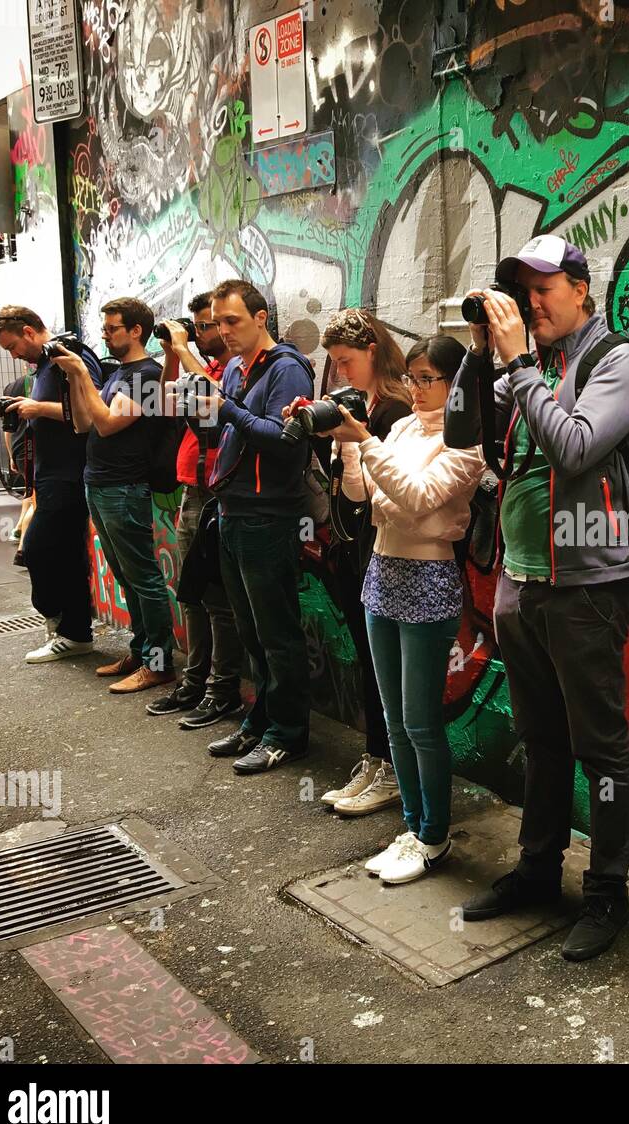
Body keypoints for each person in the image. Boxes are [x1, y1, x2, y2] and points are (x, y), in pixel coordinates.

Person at [444, 236, 629, 960]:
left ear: (581, 289)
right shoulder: (526, 364)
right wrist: (479, 350)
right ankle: (538, 871)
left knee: (601, 747)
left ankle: (606, 892)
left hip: (588, 584)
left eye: (544, 289)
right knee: (540, 742)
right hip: (520, 577)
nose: (531, 304)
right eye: (520, 292)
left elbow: (575, 444)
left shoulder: (616, 362)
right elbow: (458, 430)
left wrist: (521, 365)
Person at [321, 335, 483, 880]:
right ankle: (412, 827)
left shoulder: (467, 441)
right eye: (411, 377)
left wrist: (367, 442)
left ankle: (434, 837)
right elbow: (365, 495)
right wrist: (350, 442)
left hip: (429, 578)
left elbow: (414, 498)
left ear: (455, 383)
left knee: (421, 722)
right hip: (382, 573)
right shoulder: (403, 429)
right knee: (392, 720)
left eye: (427, 379)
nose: (415, 389)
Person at [202, 279, 313, 775]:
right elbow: (224, 431)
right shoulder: (232, 367)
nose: (223, 331)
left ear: (261, 318)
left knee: (276, 632)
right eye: (217, 323)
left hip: (269, 515)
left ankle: (287, 733)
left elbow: (284, 441)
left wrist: (225, 407)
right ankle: (259, 721)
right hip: (233, 508)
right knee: (250, 629)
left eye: (232, 321)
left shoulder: (287, 369)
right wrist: (199, 410)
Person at [307, 309, 412, 816]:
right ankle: (375, 756)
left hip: (382, 550)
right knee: (369, 662)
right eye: (334, 364)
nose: (342, 372)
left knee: (383, 667)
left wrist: (353, 444)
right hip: (351, 549)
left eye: (347, 361)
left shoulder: (394, 411)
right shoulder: (358, 404)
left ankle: (390, 767)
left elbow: (372, 491)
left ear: (373, 350)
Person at [56, 296, 176, 694]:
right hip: (101, 483)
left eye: (112, 328)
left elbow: (107, 425)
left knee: (144, 578)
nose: (105, 335)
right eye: (104, 328)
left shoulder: (145, 374)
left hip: (125, 487)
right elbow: (83, 423)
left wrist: (81, 372)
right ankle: (142, 653)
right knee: (127, 576)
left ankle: (158, 663)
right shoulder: (118, 374)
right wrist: (75, 377)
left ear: (136, 330)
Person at [145, 294, 244, 728]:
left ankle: (223, 690)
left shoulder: (233, 369)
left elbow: (217, 398)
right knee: (192, 594)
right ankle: (196, 679)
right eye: (203, 326)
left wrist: (186, 351)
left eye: (211, 326)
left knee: (218, 601)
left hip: (218, 494)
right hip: (191, 491)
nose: (207, 334)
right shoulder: (193, 365)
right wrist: (171, 353)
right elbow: (163, 404)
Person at [0, 305, 104, 663]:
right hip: (52, 475)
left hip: (69, 475)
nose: (14, 354)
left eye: (12, 346)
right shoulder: (44, 366)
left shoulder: (68, 356)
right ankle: (74, 633)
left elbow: (93, 405)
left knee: (38, 550)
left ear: (28, 331)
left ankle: (64, 624)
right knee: (63, 556)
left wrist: (37, 409)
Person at [1, 369, 36, 562]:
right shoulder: (47, 382)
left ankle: (19, 528)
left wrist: (12, 455)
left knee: (31, 494)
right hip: (36, 451)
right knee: (40, 502)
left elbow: (8, 428)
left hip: (21, 450)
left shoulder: (12, 386)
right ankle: (23, 548)